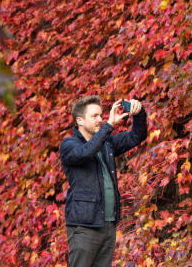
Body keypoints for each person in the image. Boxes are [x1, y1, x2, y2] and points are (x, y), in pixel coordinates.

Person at [60, 95, 148, 267]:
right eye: (94, 116)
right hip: (84, 227)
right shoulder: (69, 145)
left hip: (107, 225)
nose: (100, 119)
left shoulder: (106, 143)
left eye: (101, 115)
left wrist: (139, 113)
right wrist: (109, 126)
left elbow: (136, 137)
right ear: (80, 121)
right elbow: (86, 152)